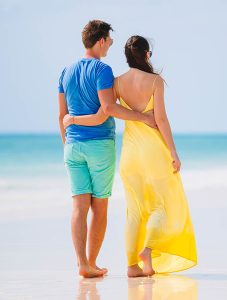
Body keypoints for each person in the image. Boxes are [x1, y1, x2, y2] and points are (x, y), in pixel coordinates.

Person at [63, 35, 197, 277]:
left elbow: (105, 111)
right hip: (154, 151)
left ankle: (132, 266)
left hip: (130, 154)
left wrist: (73, 120)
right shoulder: (155, 81)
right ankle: (147, 249)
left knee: (134, 210)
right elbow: (161, 119)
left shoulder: (116, 83)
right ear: (146, 55)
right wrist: (173, 151)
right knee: (162, 206)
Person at [58, 21, 156, 278]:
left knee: (79, 207)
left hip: (73, 147)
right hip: (99, 145)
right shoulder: (102, 69)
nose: (111, 44)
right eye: (109, 40)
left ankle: (83, 264)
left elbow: (61, 116)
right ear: (100, 40)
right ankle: (90, 263)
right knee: (99, 207)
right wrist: (143, 117)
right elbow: (108, 110)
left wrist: (67, 144)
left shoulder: (65, 71)